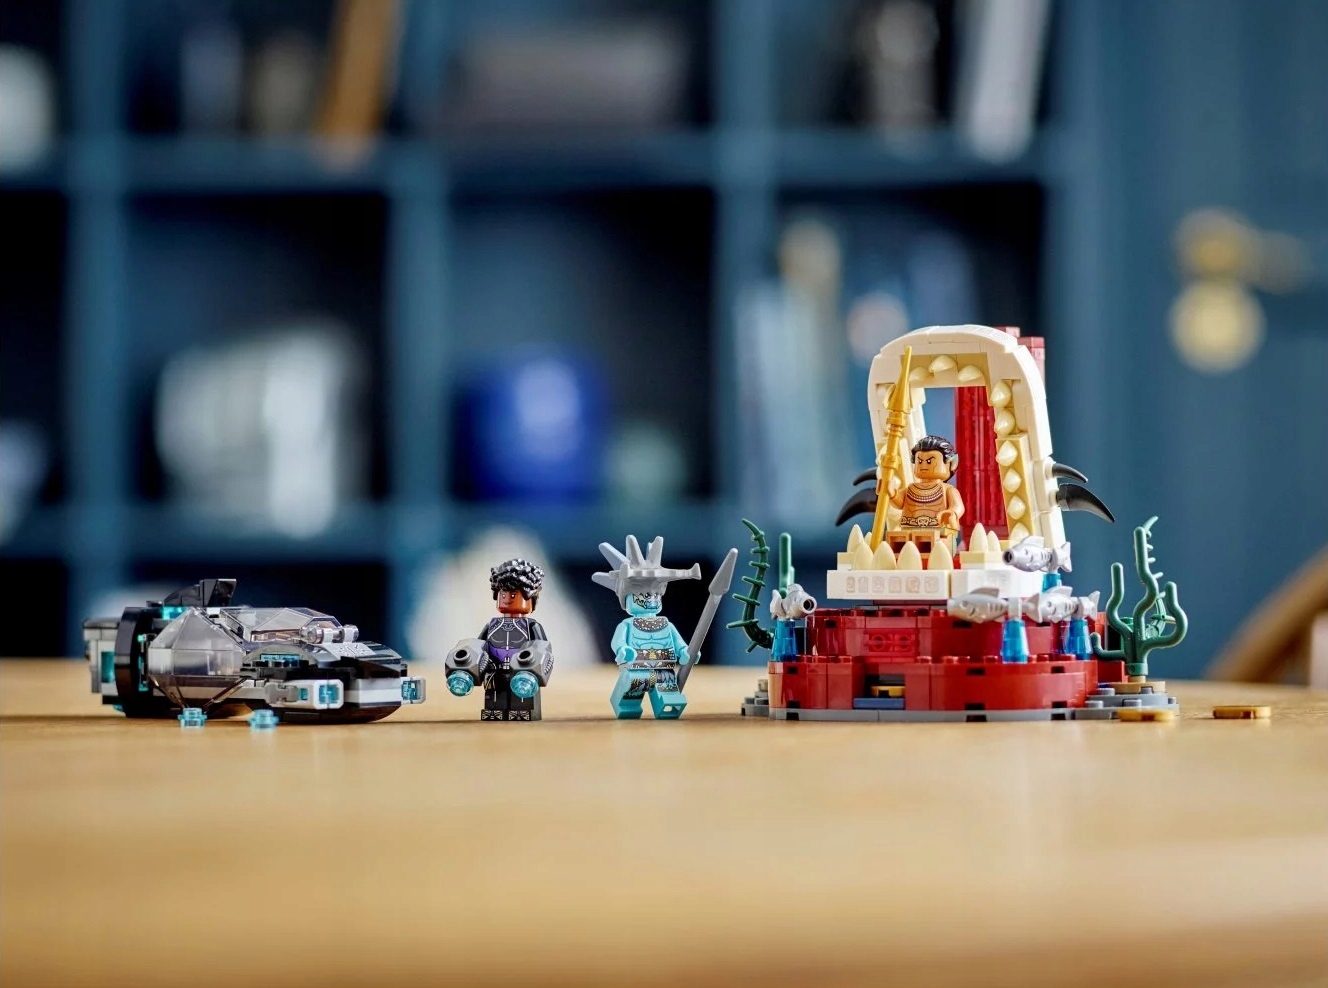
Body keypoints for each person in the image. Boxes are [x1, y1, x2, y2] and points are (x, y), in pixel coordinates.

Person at [891, 435, 964, 531]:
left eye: (929, 461)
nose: (924, 465)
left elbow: (958, 506)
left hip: (938, 530)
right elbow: (899, 503)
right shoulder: (911, 488)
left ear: (950, 464)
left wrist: (952, 513)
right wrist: (891, 493)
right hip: (910, 529)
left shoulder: (948, 490)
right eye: (920, 461)